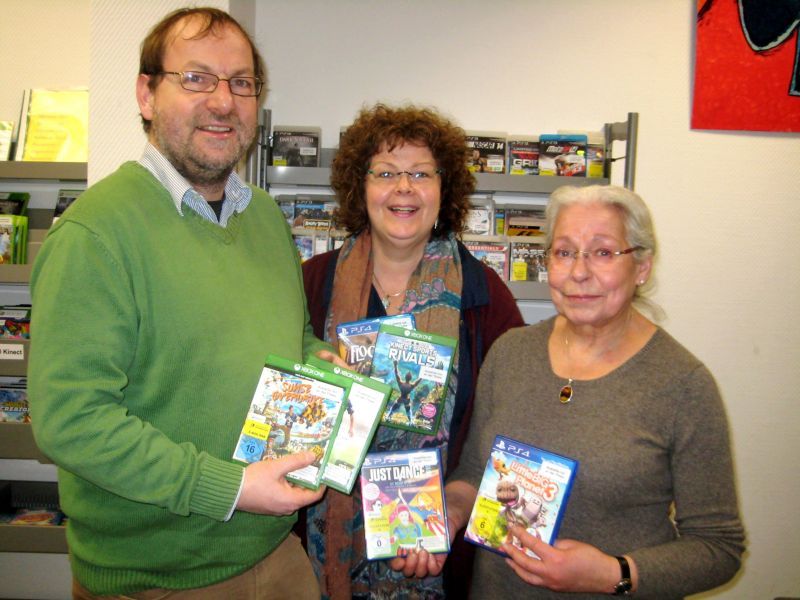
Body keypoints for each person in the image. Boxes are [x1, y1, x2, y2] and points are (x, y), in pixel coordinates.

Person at [28, 7, 337, 599]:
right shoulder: (96, 234)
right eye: (196, 78)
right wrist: (229, 488)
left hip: (278, 553)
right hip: (156, 580)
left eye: (241, 82)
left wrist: (321, 360)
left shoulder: (265, 217)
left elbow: (288, 335)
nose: (223, 101)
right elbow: (72, 421)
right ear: (146, 94)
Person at [394, 184, 746, 598]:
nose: (579, 272)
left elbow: (719, 547)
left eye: (603, 252)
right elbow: (474, 472)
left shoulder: (682, 384)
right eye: (564, 252)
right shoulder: (511, 352)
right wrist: (447, 516)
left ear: (642, 267)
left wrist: (613, 573)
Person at [301, 103, 525, 599]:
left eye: (421, 173)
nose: (404, 187)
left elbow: (509, 430)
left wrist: (456, 506)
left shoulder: (484, 296)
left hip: (442, 551)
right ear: (360, 187)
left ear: (445, 189)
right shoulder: (312, 283)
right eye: (386, 173)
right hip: (323, 548)